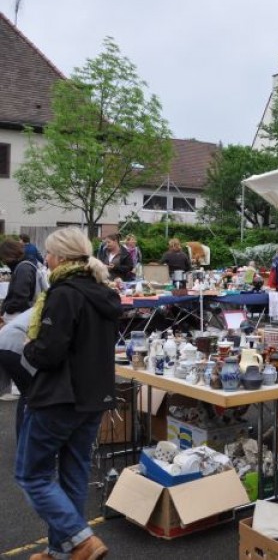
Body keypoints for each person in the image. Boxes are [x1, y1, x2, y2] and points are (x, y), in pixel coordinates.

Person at [16, 227, 121, 560]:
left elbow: (49, 353)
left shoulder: (63, 294)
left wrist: (30, 346)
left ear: (60, 256)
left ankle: (80, 539)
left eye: (48, 253)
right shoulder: (102, 292)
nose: (45, 259)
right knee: (73, 475)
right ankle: (62, 551)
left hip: (59, 397)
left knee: (31, 475)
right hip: (93, 398)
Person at [0, 306, 37, 437]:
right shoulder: (63, 300)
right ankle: (25, 444)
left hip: (5, 340)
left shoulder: (48, 300)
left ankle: (23, 442)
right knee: (32, 393)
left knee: (27, 393)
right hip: (18, 343)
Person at [0, 239, 41, 322]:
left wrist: (7, 309)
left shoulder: (23, 269)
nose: (4, 261)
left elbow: (20, 299)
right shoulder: (26, 265)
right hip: (23, 314)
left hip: (18, 316)